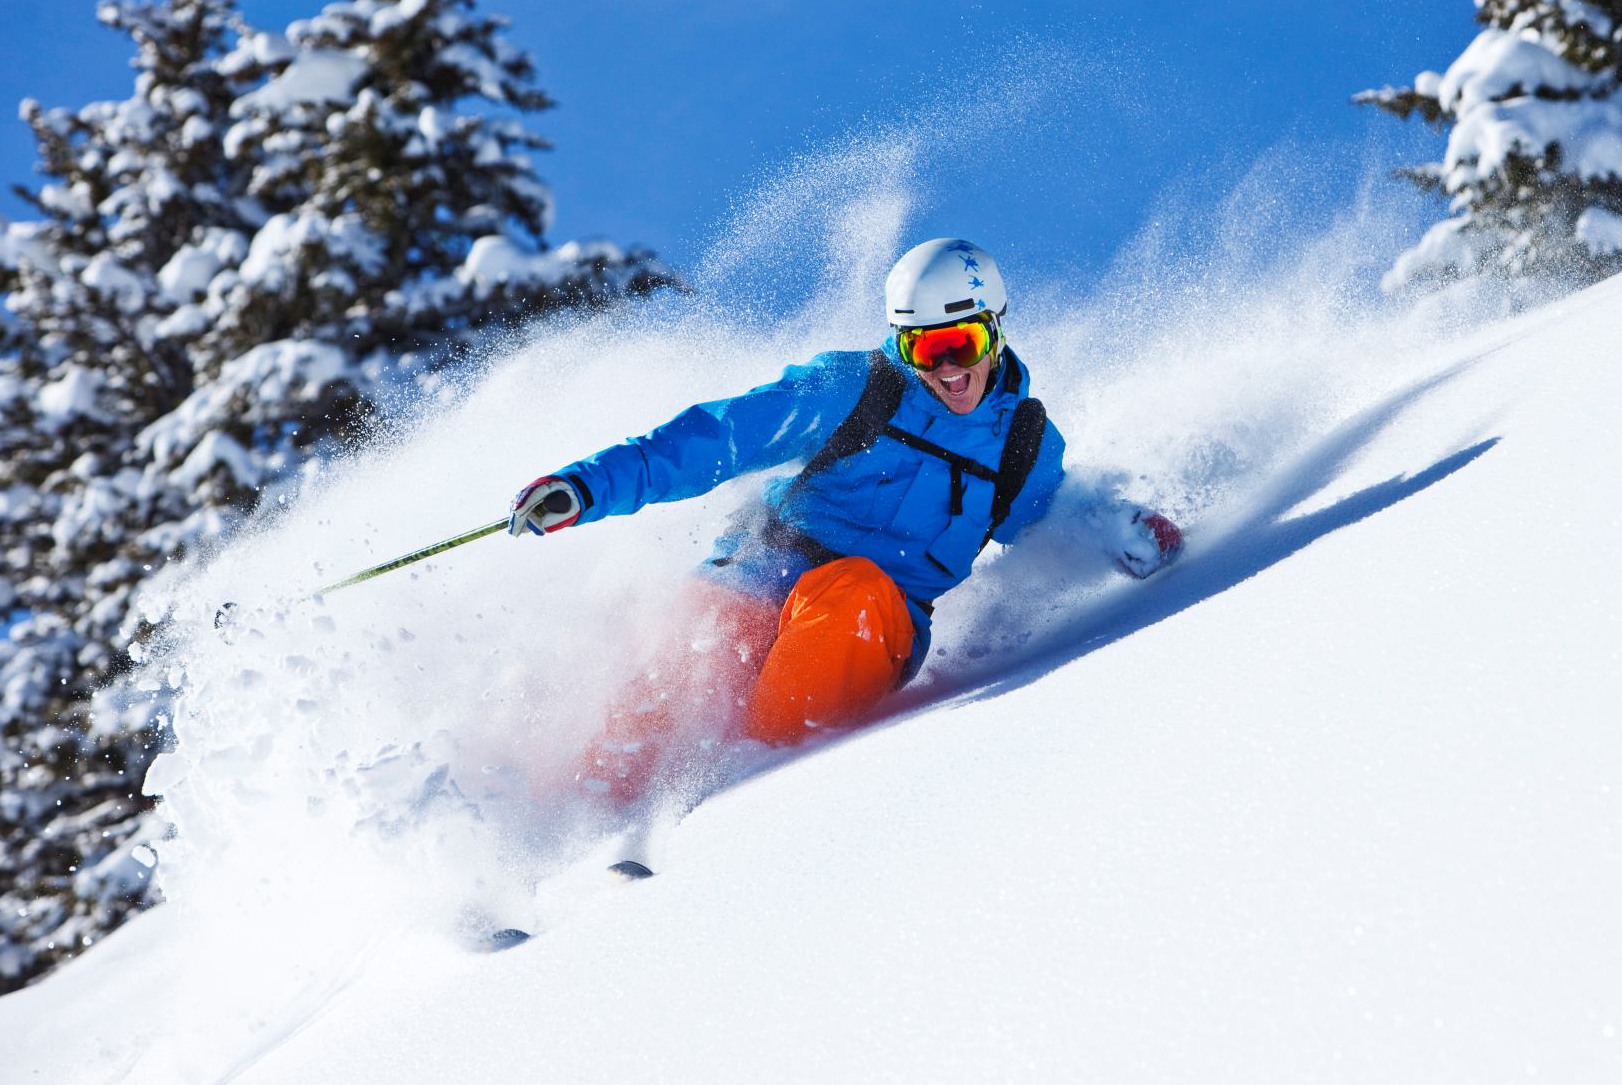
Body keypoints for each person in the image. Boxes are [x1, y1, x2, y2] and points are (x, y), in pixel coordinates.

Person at [506, 238, 1183, 799]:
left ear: (997, 328)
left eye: (964, 342)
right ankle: (572, 825)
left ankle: (732, 802)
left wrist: (1125, 530)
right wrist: (586, 486)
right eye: (926, 349)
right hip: (761, 567)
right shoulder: (851, 391)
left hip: (870, 618)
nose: (950, 369)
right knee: (700, 640)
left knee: (850, 593)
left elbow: (1057, 516)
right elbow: (716, 438)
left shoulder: (1021, 446)